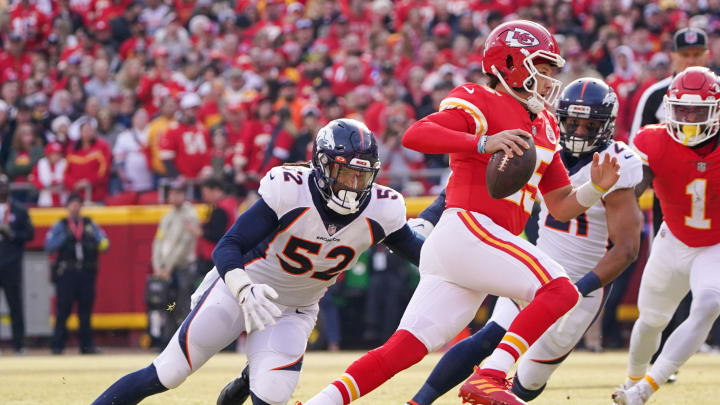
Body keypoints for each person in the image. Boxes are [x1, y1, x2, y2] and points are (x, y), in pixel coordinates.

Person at [301, 20, 620, 405]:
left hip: (476, 247)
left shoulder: (548, 125)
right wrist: (483, 142)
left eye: (553, 69)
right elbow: (416, 134)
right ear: (510, 62)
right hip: (468, 228)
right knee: (559, 289)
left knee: (403, 350)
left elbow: (560, 204)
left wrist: (596, 188)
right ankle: (491, 375)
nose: (551, 78)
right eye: (544, 66)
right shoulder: (480, 99)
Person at [90, 118, 424, 405]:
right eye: (343, 173)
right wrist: (242, 287)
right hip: (243, 291)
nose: (352, 187)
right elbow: (228, 246)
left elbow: (423, 256)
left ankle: (247, 381)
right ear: (321, 164)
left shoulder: (384, 209)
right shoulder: (290, 189)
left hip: (296, 309)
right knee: (168, 372)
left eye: (360, 177)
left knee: (272, 397)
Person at [406, 78, 644, 404]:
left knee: (529, 381)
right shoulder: (543, 145)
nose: (578, 130)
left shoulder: (615, 162)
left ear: (606, 125)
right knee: (490, 336)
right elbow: (468, 183)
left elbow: (627, 249)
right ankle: (419, 401)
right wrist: (430, 218)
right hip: (537, 267)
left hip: (583, 287)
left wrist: (579, 288)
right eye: (572, 121)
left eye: (589, 124)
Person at [611, 67, 720, 404]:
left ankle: (646, 388)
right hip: (671, 240)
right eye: (681, 109)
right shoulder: (652, 139)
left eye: (697, 111)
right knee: (651, 321)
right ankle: (632, 379)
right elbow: (637, 183)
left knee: (710, 302)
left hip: (714, 244)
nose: (688, 119)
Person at [45, 192, 110, 355]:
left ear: (81, 206)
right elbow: (49, 246)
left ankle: (86, 346)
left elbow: (105, 245)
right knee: (63, 310)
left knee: (85, 311)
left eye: (78, 204)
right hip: (67, 272)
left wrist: (95, 239)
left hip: (86, 272)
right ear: (67, 207)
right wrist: (64, 238)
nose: (75, 206)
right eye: (72, 203)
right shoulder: (60, 225)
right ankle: (57, 346)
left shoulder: (89, 225)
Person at [148, 180, 200, 347]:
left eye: (178, 193)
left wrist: (168, 267)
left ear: (183, 195)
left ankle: (186, 342)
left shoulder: (190, 215)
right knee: (168, 305)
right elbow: (158, 241)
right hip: (166, 270)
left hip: (182, 269)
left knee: (182, 306)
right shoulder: (168, 216)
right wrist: (158, 266)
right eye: (171, 193)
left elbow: (183, 245)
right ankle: (169, 341)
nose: (174, 196)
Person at [0, 175, 34, 354]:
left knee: (15, 305)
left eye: (4, 185)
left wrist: (12, 234)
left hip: (11, 264)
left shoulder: (19, 210)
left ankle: (19, 344)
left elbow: (30, 234)